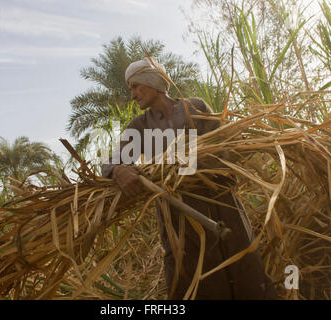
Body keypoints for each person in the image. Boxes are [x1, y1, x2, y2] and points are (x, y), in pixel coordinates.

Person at [101, 57, 278, 299]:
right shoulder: (140, 126)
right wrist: (119, 169)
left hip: (222, 204)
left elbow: (226, 148)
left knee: (244, 269)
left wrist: (201, 162)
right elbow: (111, 161)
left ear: (152, 81)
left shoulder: (195, 107)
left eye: (135, 86)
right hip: (179, 217)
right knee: (193, 279)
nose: (132, 95)